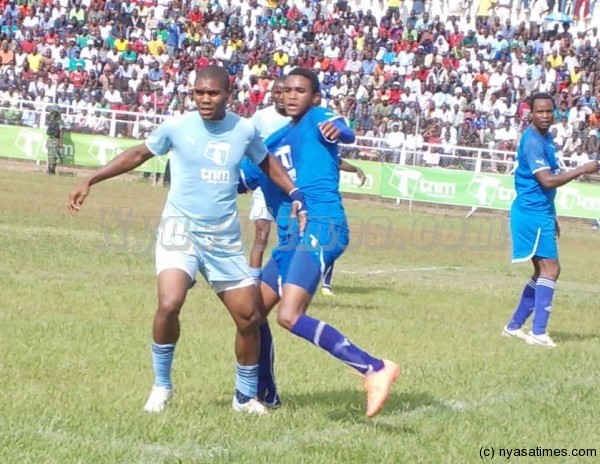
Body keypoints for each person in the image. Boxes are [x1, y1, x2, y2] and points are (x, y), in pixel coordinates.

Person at [67, 65, 306, 415]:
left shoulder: (243, 129)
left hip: (222, 237)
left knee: (249, 317)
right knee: (169, 302)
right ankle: (161, 386)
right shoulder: (177, 127)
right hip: (179, 230)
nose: (205, 99)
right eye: (199, 93)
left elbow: (266, 162)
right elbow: (138, 154)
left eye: (213, 93)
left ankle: (244, 397)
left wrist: (295, 191)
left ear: (229, 92)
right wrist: (91, 179)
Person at [240, 68, 399, 418]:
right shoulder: (267, 147)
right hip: (290, 241)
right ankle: (265, 396)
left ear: (314, 98)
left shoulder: (318, 119)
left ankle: (373, 367)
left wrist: (340, 130)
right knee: (250, 315)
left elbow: (345, 130)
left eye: (300, 90)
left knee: (289, 315)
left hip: (322, 224)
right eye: (285, 90)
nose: (291, 95)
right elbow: (238, 181)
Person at [502, 92, 600, 348]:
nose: (545, 116)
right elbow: (546, 180)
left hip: (540, 212)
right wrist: (582, 169)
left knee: (542, 271)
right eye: (540, 111)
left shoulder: (547, 139)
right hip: (530, 213)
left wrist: (552, 214)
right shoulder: (533, 141)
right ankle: (538, 333)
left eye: (549, 111)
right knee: (551, 269)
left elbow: (546, 187)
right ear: (530, 113)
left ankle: (513, 327)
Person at [248, 76, 291, 281]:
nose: (281, 96)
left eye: (285, 92)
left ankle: (286, 278)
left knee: (289, 237)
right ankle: (254, 279)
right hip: (264, 183)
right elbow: (248, 144)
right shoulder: (261, 117)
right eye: (277, 92)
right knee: (261, 233)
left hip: (289, 186)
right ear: (271, 94)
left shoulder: (298, 118)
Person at [320, 159, 366, 297]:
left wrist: (356, 169)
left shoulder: (329, 152)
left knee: (332, 241)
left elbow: (337, 161)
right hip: (312, 203)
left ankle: (325, 284)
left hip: (329, 204)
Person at [46, 105, 64, 175]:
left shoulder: (60, 121)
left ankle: (52, 171)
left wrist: (60, 141)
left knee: (53, 157)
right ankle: (50, 170)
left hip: (55, 140)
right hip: (50, 139)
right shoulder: (51, 120)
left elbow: (62, 131)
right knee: (50, 156)